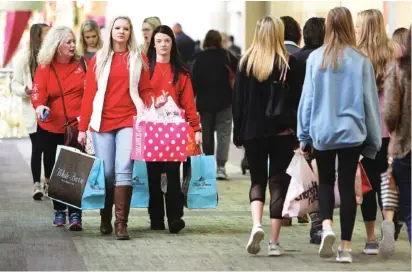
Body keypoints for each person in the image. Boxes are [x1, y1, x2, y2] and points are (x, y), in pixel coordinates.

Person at [297, 7, 381, 263]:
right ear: (348, 26)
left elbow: (307, 100)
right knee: (346, 187)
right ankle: (345, 247)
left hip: (322, 132)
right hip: (352, 134)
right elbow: (370, 104)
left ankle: (327, 228)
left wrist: (304, 134)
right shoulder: (361, 61)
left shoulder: (315, 59)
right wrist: (374, 141)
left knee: (324, 182)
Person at [233, 16, 304, 257]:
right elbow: (296, 102)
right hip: (281, 132)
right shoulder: (288, 63)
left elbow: (238, 103)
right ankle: (274, 243)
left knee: (257, 181)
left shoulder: (245, 63)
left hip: (253, 132)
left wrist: (238, 133)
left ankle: (256, 225)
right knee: (277, 184)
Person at [77, 16, 154, 240]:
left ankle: (121, 223)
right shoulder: (99, 58)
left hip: (129, 120)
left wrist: (152, 102)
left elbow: (146, 89)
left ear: (130, 33)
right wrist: (83, 127)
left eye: (126, 29)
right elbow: (89, 94)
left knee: (124, 170)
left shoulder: (137, 58)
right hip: (102, 122)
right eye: (117, 28)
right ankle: (105, 216)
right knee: (108, 173)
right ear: (110, 31)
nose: (121, 32)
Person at [146, 25, 201, 233]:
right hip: (151, 128)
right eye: (159, 41)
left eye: (167, 41)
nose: (163, 45)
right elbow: (140, 96)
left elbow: (188, 104)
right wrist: (153, 102)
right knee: (152, 174)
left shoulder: (181, 72)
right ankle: (156, 216)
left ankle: (175, 217)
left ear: (172, 44)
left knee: (172, 173)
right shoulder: (145, 69)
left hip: (174, 129)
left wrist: (196, 129)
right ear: (153, 43)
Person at [355, 9, 401, 255]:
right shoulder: (396, 52)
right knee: (388, 181)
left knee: (368, 184)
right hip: (393, 130)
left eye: (358, 25)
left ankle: (371, 239)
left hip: (365, 130)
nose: (355, 30)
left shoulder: (356, 56)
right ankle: (389, 225)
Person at [31, 26, 86, 231]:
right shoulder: (45, 67)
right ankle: (59, 211)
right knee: (56, 171)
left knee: (75, 170)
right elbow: (38, 92)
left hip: (76, 127)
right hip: (51, 126)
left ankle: (75, 214)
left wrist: (86, 118)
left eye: (73, 41)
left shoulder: (82, 64)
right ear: (57, 45)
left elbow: (90, 92)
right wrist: (40, 106)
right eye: (68, 42)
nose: (73, 45)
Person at [293, 17, 326, 244]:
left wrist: (301, 134)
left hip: (303, 126)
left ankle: (315, 221)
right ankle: (324, 223)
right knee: (325, 178)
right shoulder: (328, 59)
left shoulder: (294, 59)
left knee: (308, 179)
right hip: (324, 126)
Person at [192, 30, 238, 180]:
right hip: (225, 102)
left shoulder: (199, 58)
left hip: (205, 104)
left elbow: (194, 81)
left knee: (207, 134)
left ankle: (207, 165)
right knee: (224, 135)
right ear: (219, 41)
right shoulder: (227, 56)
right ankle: (221, 167)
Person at [11, 23, 49, 200]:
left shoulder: (51, 57)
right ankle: (37, 184)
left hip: (51, 112)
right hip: (32, 111)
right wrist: (25, 90)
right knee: (38, 147)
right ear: (37, 37)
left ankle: (48, 182)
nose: (49, 37)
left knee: (50, 148)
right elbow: (14, 84)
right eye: (46, 34)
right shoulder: (23, 58)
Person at [383, 26, 411, 246]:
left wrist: (393, 128)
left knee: (410, 211)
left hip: (406, 146)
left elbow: (391, 111)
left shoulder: (400, 69)